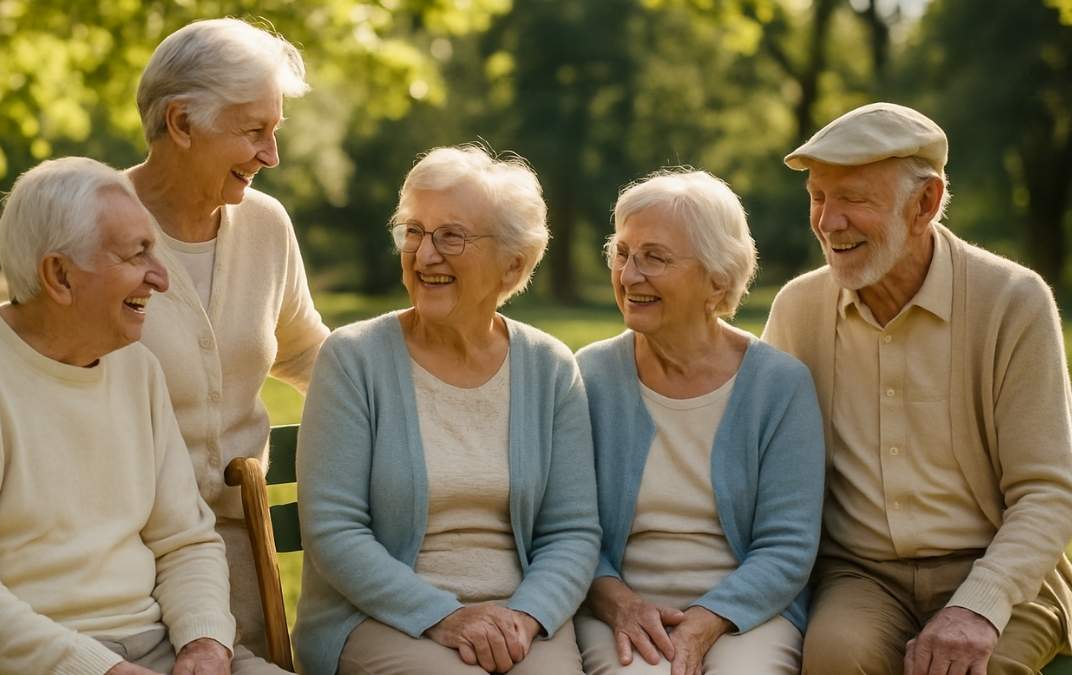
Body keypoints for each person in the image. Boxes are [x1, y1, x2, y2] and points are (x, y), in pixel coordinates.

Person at [0, 157, 290, 675]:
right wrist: (99, 669)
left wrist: (205, 643)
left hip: (149, 644)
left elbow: (185, 540)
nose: (161, 278)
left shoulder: (137, 368)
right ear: (60, 275)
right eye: (137, 254)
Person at [763, 101, 1072, 675]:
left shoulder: (1014, 301)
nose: (829, 221)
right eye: (818, 197)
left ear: (925, 203)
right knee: (834, 658)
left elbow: (1048, 492)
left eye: (853, 198)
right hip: (860, 573)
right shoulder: (798, 308)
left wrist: (978, 607)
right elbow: (767, 465)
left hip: (998, 567)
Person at [292, 145, 601, 675]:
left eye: (451, 236)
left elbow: (571, 531)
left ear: (513, 264)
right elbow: (334, 530)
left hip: (520, 618)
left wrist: (526, 616)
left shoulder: (550, 367)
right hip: (378, 616)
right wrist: (445, 616)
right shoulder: (353, 359)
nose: (424, 255)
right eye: (414, 231)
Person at [126, 18, 330, 658]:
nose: (271, 155)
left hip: (235, 549)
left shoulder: (265, 225)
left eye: (275, 131)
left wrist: (418, 399)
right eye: (253, 131)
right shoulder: (91, 227)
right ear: (182, 123)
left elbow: (307, 352)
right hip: (117, 548)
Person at [574, 169, 825, 675]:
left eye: (654, 258)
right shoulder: (589, 375)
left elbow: (788, 545)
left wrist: (708, 619)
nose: (629, 276)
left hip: (747, 613)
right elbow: (569, 529)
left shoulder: (779, 384)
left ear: (717, 279)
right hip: (619, 609)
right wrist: (621, 604)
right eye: (622, 253)